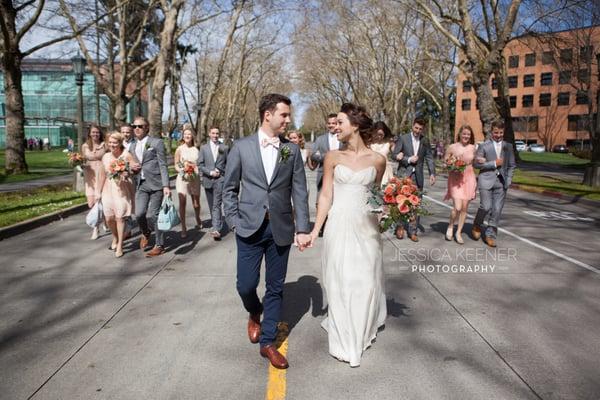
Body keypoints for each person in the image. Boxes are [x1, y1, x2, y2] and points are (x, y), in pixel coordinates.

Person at [223, 93, 311, 370]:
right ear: (268, 115)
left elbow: (299, 190)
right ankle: (253, 311)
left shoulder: (291, 150)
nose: (288, 120)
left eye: (288, 115)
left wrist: (303, 229)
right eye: (284, 115)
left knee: (275, 288)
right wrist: (234, 220)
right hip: (248, 227)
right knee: (245, 285)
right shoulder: (241, 147)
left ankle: (268, 343)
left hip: (281, 228)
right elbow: (229, 189)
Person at [309, 102, 387, 368]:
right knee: (339, 281)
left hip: (366, 227)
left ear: (354, 126)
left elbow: (375, 195)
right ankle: (346, 340)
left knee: (364, 282)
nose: (336, 126)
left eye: (340, 122)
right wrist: (315, 230)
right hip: (339, 224)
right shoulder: (332, 156)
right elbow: (326, 195)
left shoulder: (378, 160)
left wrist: (386, 214)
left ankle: (360, 331)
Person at [129, 116, 171, 257]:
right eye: (134, 126)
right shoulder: (132, 146)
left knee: (154, 214)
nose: (137, 129)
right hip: (141, 184)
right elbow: (132, 165)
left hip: (156, 183)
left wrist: (166, 185)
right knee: (139, 213)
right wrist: (131, 168)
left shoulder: (156, 142)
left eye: (140, 126)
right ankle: (146, 231)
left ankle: (159, 245)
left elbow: (163, 164)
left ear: (146, 127)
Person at [472, 121, 516, 248]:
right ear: (492, 131)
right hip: (486, 179)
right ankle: (477, 224)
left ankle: (490, 235)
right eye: (496, 132)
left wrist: (509, 180)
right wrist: (494, 163)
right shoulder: (484, 146)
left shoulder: (508, 146)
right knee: (485, 206)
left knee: (497, 209)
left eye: (501, 132)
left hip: (502, 182)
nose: (498, 135)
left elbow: (512, 165)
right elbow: (476, 164)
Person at [391, 117, 436, 242]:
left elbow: (429, 157)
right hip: (404, 174)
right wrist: (408, 159)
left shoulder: (425, 140)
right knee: (401, 202)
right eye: (416, 128)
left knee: (416, 203)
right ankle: (399, 227)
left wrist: (432, 173)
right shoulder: (403, 138)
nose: (417, 131)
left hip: (418, 176)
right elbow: (394, 155)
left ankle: (413, 231)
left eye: (420, 129)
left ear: (423, 129)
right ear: (412, 126)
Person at [97, 132, 138, 257]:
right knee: (109, 218)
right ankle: (115, 236)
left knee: (120, 217)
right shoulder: (106, 156)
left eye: (114, 142)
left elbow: (135, 168)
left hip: (122, 189)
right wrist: (97, 192)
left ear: (120, 143)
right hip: (107, 190)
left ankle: (120, 244)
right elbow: (102, 175)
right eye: (110, 142)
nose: (112, 144)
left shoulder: (126, 155)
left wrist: (128, 172)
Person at [444, 125, 477, 244]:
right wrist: (451, 166)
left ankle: (458, 232)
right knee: (457, 207)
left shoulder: (474, 148)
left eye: (468, 134)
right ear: (460, 134)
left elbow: (477, 162)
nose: (466, 136)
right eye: (464, 134)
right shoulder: (452, 147)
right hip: (455, 178)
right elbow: (446, 161)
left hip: (469, 177)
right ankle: (450, 226)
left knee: (464, 208)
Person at [199, 127, 229, 240]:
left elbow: (228, 164)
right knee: (212, 205)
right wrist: (210, 172)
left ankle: (216, 229)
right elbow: (200, 165)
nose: (215, 135)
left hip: (220, 179)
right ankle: (217, 224)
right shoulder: (204, 148)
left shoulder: (224, 147)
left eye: (217, 133)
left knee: (216, 204)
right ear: (209, 134)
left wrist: (220, 171)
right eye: (213, 133)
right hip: (208, 180)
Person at [174, 127, 202, 238]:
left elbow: (199, 164)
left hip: (194, 178)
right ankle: (183, 227)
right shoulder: (179, 149)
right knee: (182, 202)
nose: (187, 136)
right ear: (183, 136)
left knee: (196, 203)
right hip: (183, 178)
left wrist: (195, 168)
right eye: (185, 134)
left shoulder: (196, 149)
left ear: (192, 136)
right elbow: (176, 164)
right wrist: (182, 170)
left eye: (189, 134)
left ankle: (198, 217)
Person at [82, 125, 107, 240]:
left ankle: (95, 228)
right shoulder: (85, 146)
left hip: (102, 174)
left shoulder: (105, 145)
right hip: (90, 175)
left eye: (97, 132)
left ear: (100, 133)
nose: (95, 134)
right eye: (93, 132)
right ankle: (104, 220)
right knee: (91, 203)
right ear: (89, 133)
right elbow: (82, 159)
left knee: (100, 200)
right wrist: (78, 164)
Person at [370, 121, 395, 185]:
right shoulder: (369, 143)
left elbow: (396, 153)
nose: (379, 137)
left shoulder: (389, 143)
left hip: (386, 170)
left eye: (381, 135)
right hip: (372, 169)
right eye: (377, 134)